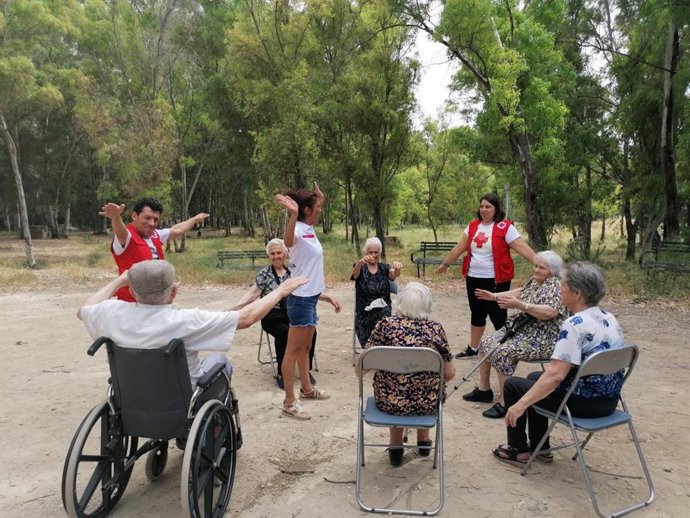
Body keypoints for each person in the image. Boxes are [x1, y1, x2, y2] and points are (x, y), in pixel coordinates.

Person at [77, 260, 308, 388]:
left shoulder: (112, 312)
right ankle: (216, 431)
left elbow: (83, 310)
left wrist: (119, 281)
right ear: (174, 291)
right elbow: (246, 318)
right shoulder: (186, 320)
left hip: (130, 395)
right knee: (220, 362)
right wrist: (281, 290)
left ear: (132, 291)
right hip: (180, 396)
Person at [493, 262, 625, 466]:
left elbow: (555, 376)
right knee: (533, 378)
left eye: (563, 286)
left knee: (513, 386)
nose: (559, 289)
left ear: (577, 294)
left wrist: (520, 405)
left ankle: (517, 450)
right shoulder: (609, 318)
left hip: (582, 404)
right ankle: (541, 447)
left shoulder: (574, 325)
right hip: (608, 399)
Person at [358, 282, 456, 466]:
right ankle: (423, 443)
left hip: (388, 403)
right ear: (427, 305)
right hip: (426, 406)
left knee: (395, 388)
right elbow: (449, 374)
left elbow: (360, 369)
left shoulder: (385, 325)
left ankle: (395, 448)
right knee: (426, 387)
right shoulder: (435, 329)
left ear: (400, 304)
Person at [462, 251, 569, 419]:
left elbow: (551, 312)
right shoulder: (537, 281)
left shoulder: (556, 286)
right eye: (536, 265)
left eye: (542, 267)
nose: (536, 270)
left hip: (543, 337)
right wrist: (494, 296)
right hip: (523, 330)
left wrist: (522, 306)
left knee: (503, 351)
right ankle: (484, 390)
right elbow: (521, 291)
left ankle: (507, 402)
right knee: (486, 341)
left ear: (553, 271)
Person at [436, 193, 536, 359]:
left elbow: (522, 248)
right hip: (474, 278)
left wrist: (541, 264)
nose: (484, 209)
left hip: (497, 280)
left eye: (488, 206)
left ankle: (504, 347)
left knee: (498, 315)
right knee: (477, 313)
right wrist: (445, 263)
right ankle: (473, 348)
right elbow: (460, 247)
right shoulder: (473, 226)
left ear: (496, 208)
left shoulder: (505, 227)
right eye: (481, 206)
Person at [231, 238, 339, 389]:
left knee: (310, 330)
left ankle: (305, 372)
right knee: (284, 332)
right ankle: (282, 373)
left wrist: (330, 298)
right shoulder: (264, 273)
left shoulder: (293, 272)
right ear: (269, 256)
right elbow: (251, 295)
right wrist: (233, 309)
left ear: (285, 254)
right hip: (271, 314)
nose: (276, 256)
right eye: (273, 253)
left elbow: (309, 291)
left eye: (279, 253)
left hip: (291, 312)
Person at [275, 184, 341, 420]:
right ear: (305, 211)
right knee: (292, 351)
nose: (320, 211)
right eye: (317, 208)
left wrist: (319, 197)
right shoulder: (299, 231)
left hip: (310, 298)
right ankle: (289, 402)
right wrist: (293, 215)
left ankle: (307, 388)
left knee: (305, 348)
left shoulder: (309, 228)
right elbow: (289, 241)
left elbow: (314, 210)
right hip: (300, 299)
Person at [99, 198, 209, 302]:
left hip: (156, 303)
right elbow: (120, 232)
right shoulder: (127, 238)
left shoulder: (155, 235)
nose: (152, 223)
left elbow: (176, 230)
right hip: (131, 304)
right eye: (147, 218)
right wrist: (116, 217)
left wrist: (194, 220)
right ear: (134, 216)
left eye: (155, 220)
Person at [351, 237, 402, 347]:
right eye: (370, 252)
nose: (373, 255)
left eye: (376, 252)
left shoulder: (384, 268)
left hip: (383, 309)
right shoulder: (361, 267)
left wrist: (397, 268)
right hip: (364, 311)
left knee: (383, 317)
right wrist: (360, 263)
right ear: (365, 252)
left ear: (380, 253)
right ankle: (373, 349)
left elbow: (393, 274)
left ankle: (379, 349)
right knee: (372, 320)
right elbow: (355, 275)